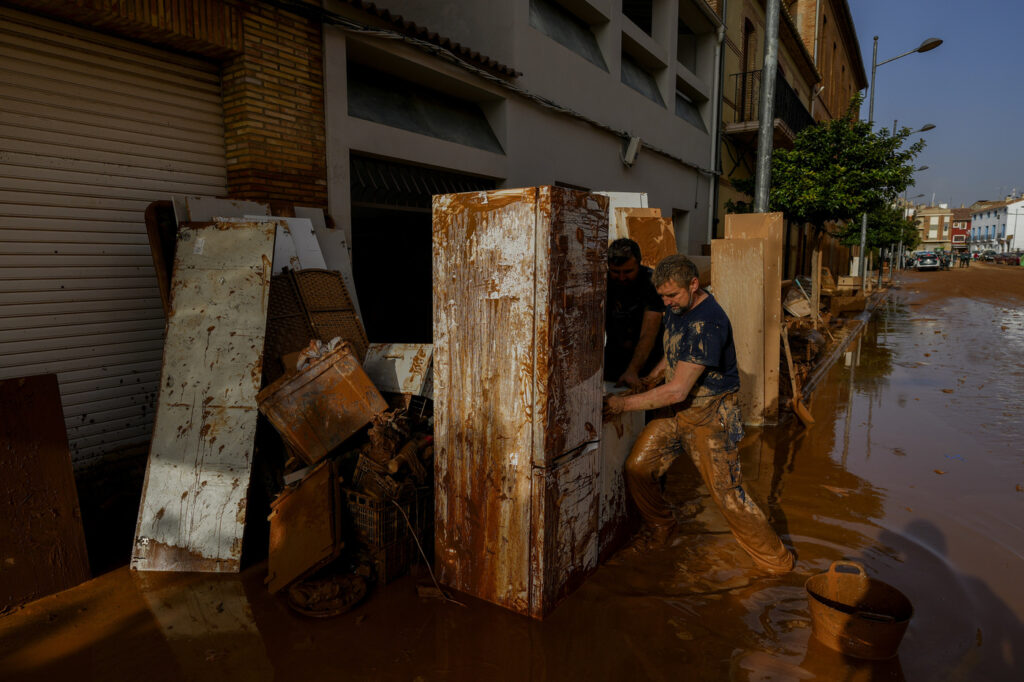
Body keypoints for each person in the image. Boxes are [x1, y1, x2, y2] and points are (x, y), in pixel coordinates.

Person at [603, 254, 795, 574]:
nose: (666, 302)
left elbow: (678, 389)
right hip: (678, 413)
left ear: (693, 284)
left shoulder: (708, 322)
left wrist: (621, 404)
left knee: (727, 498)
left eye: (672, 295)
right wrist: (651, 378)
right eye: (662, 296)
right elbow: (675, 349)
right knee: (638, 467)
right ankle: (663, 527)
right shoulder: (678, 306)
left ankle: (778, 564)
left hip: (710, 416)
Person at [605, 238, 664, 388]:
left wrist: (632, 370)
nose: (622, 277)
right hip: (614, 355)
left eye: (628, 271)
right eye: (615, 272)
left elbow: (649, 333)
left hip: (648, 357)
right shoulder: (602, 282)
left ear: (639, 264)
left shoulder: (651, 283)